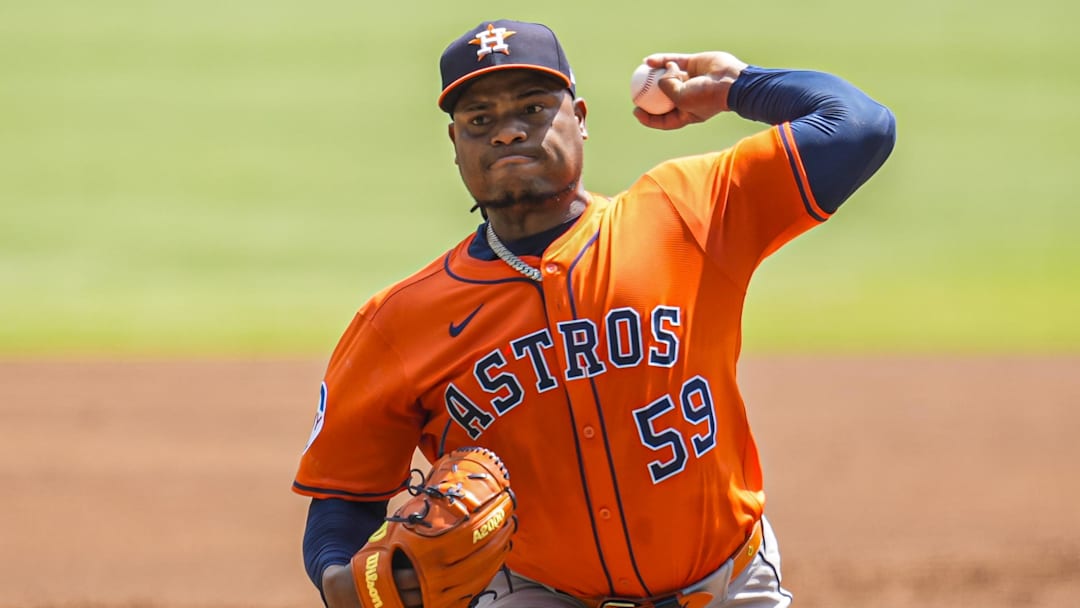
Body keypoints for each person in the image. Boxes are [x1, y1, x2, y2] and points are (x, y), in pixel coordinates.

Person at [294, 18, 895, 608]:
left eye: (532, 109)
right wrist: (335, 578)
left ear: (579, 120)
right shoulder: (400, 322)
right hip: (535, 594)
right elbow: (343, 497)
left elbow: (861, 128)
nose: (507, 132)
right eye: (481, 120)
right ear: (456, 146)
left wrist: (738, 86)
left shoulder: (686, 213)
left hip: (725, 587)